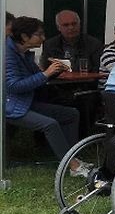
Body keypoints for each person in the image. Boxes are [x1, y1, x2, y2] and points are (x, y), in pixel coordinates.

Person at [5, 16, 86, 173]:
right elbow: (13, 86)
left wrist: (54, 71)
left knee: (71, 114)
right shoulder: (7, 54)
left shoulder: (23, 53)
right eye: (39, 34)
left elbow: (37, 77)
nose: (43, 38)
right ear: (24, 36)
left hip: (24, 102)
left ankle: (71, 157)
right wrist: (46, 73)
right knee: (49, 124)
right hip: (10, 105)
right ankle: (73, 166)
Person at [40, 9, 104, 72]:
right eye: (66, 25)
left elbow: (97, 69)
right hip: (58, 78)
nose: (71, 28)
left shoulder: (94, 44)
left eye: (74, 24)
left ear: (79, 25)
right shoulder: (50, 45)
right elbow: (45, 69)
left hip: (86, 78)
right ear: (58, 27)